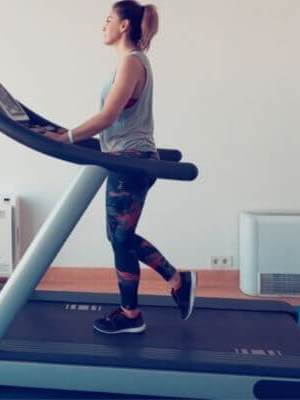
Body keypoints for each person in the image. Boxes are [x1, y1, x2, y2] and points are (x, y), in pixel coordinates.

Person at [44, 0, 196, 334]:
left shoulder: (131, 63)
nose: (104, 25)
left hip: (131, 162)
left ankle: (132, 314)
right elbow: (114, 120)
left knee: (120, 239)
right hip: (126, 159)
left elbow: (108, 117)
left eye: (109, 19)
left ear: (124, 26)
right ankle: (174, 280)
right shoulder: (130, 62)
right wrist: (63, 136)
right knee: (119, 237)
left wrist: (65, 137)